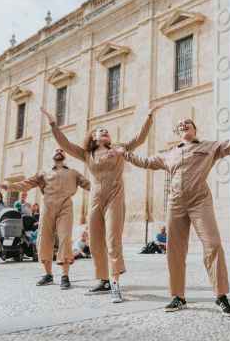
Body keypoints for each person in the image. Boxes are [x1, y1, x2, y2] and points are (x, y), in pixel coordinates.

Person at [117, 111, 230, 316]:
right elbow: (144, 162)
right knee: (175, 250)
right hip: (175, 203)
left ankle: (221, 296)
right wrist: (125, 153)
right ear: (177, 132)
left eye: (187, 122)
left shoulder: (209, 146)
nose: (183, 124)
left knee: (213, 244)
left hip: (200, 201)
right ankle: (178, 297)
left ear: (195, 129)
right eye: (180, 123)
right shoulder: (168, 154)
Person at [41, 104, 157, 303]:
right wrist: (53, 123)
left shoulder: (120, 149)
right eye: (100, 130)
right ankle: (102, 280)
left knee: (113, 241)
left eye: (106, 131)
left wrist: (149, 117)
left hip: (114, 198)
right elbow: (66, 144)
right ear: (93, 137)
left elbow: (140, 138)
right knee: (95, 242)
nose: (104, 132)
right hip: (95, 200)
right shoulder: (87, 155)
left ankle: (114, 282)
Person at [0, 148, 90, 290]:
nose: (59, 150)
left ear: (65, 156)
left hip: (65, 206)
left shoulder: (73, 173)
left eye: (62, 150)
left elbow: (89, 185)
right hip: (47, 206)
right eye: (56, 150)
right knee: (44, 238)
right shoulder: (43, 172)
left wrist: (105, 189)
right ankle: (48, 274)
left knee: (64, 237)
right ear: (52, 156)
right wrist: (9, 186)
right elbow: (27, 183)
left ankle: (65, 276)